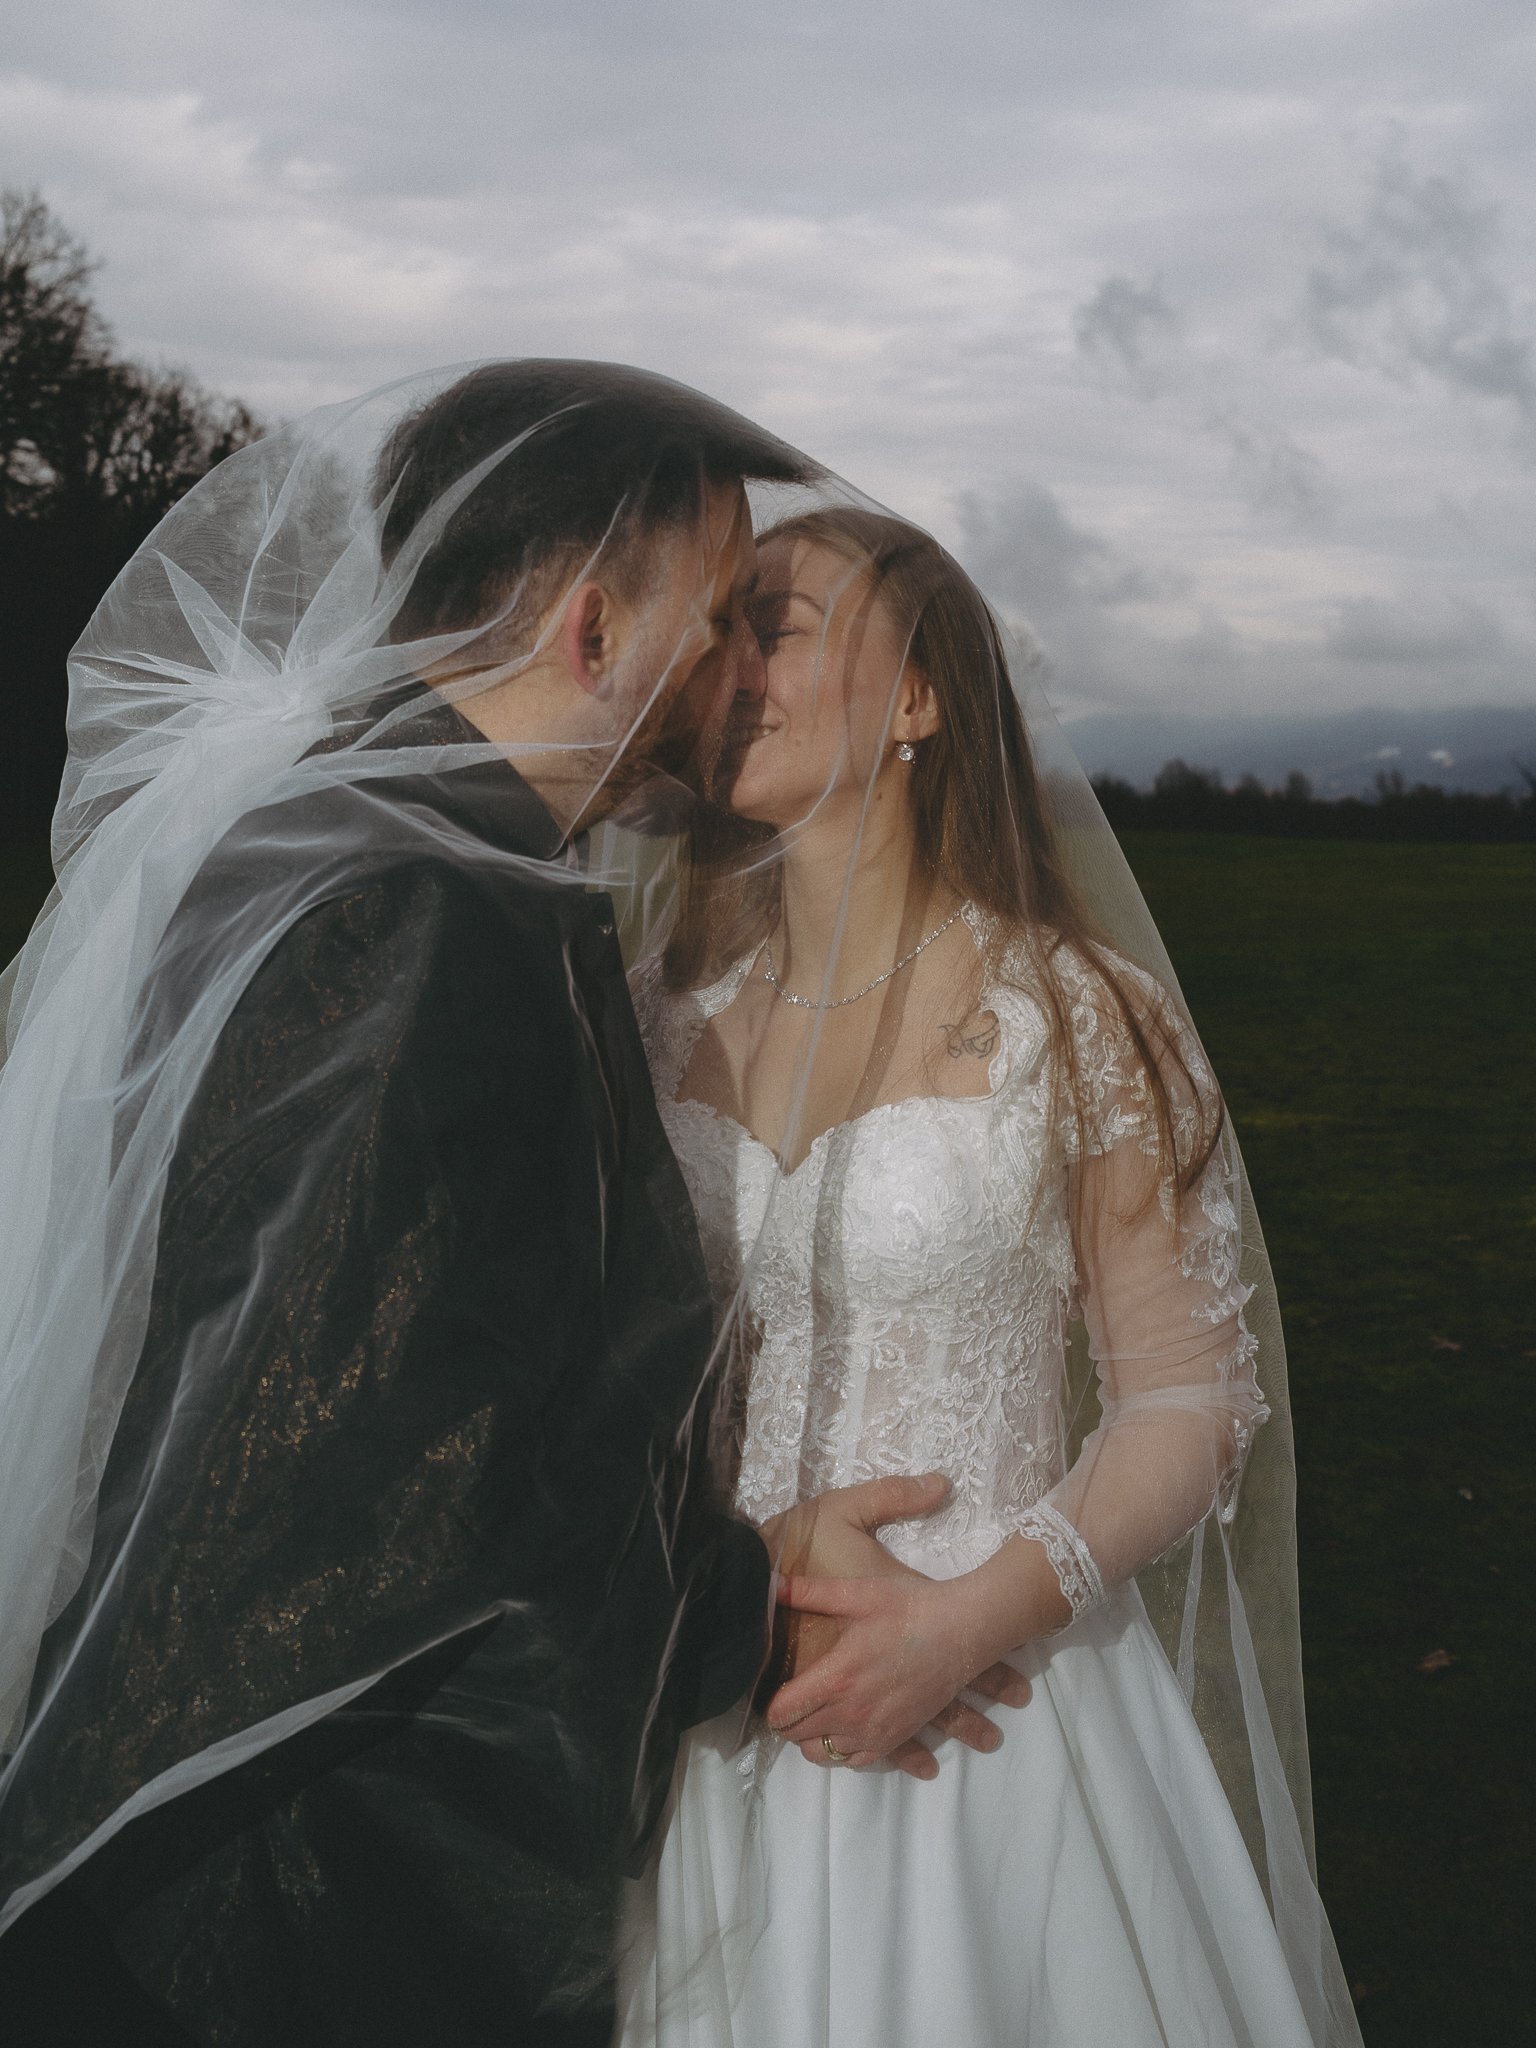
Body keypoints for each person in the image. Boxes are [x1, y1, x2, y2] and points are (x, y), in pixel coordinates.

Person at [0, 367, 1022, 2047]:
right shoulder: (430, 920)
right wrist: (752, 1609)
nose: (729, 678)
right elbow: (411, 1465)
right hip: (314, 1882)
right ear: (596, 630)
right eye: (713, 621)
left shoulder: (330, 841)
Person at [618, 504, 1364, 2045]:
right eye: (724, 625)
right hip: (712, 1714)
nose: (733, 660)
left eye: (786, 622)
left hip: (994, 1728)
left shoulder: (1076, 1015)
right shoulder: (647, 1019)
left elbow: (1188, 1392)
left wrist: (978, 1619)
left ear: (920, 700)